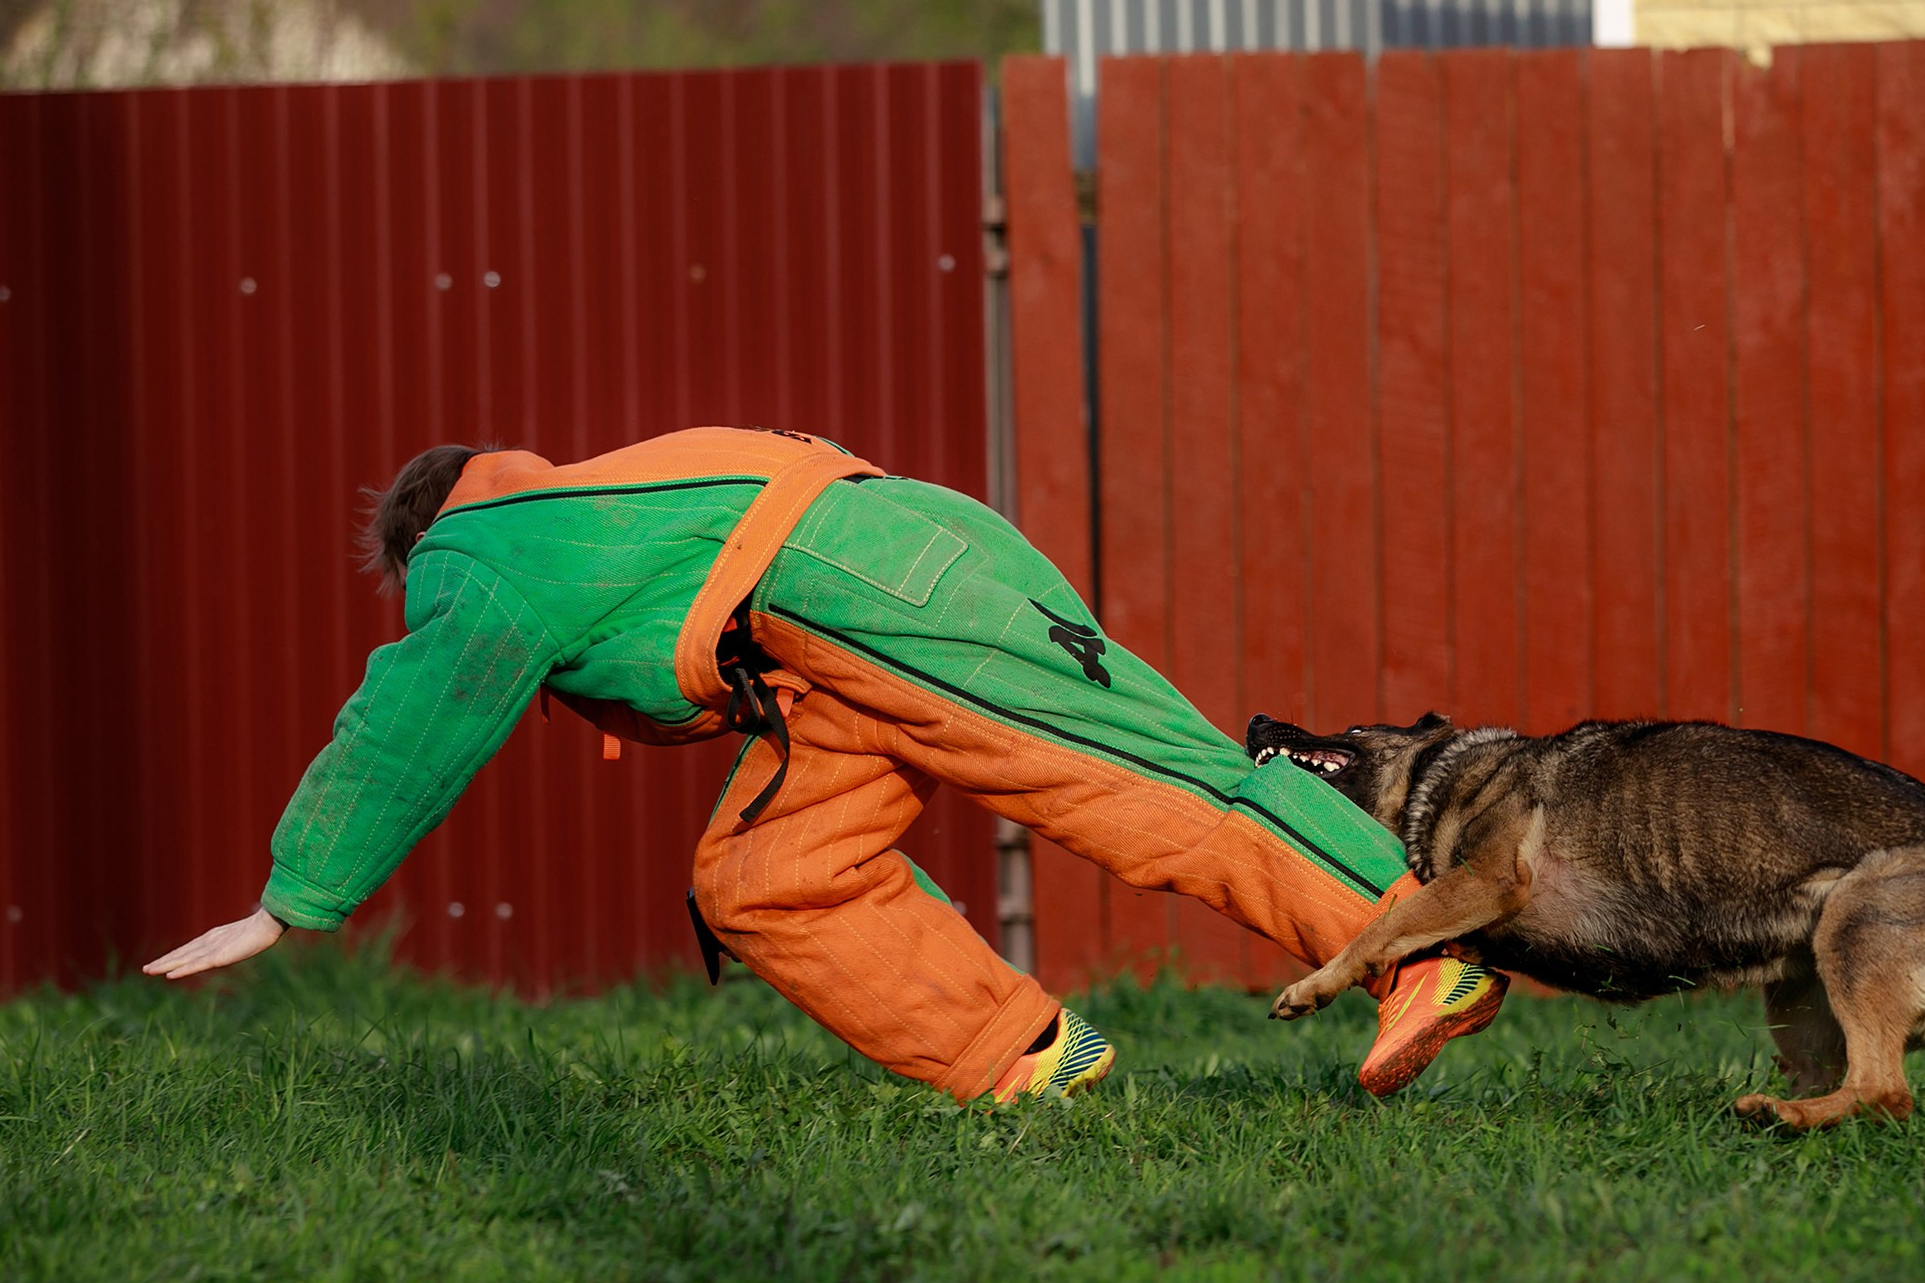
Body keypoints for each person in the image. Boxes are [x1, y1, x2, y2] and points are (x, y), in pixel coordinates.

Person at [144, 428, 1506, 1101]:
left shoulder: (483, 546)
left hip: (860, 593)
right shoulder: (584, 505)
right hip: (826, 632)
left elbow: (418, 709)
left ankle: (1420, 948)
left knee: (1137, 784)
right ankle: (1028, 1060)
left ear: (422, 532)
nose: (423, 594)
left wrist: (292, 896)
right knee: (765, 874)